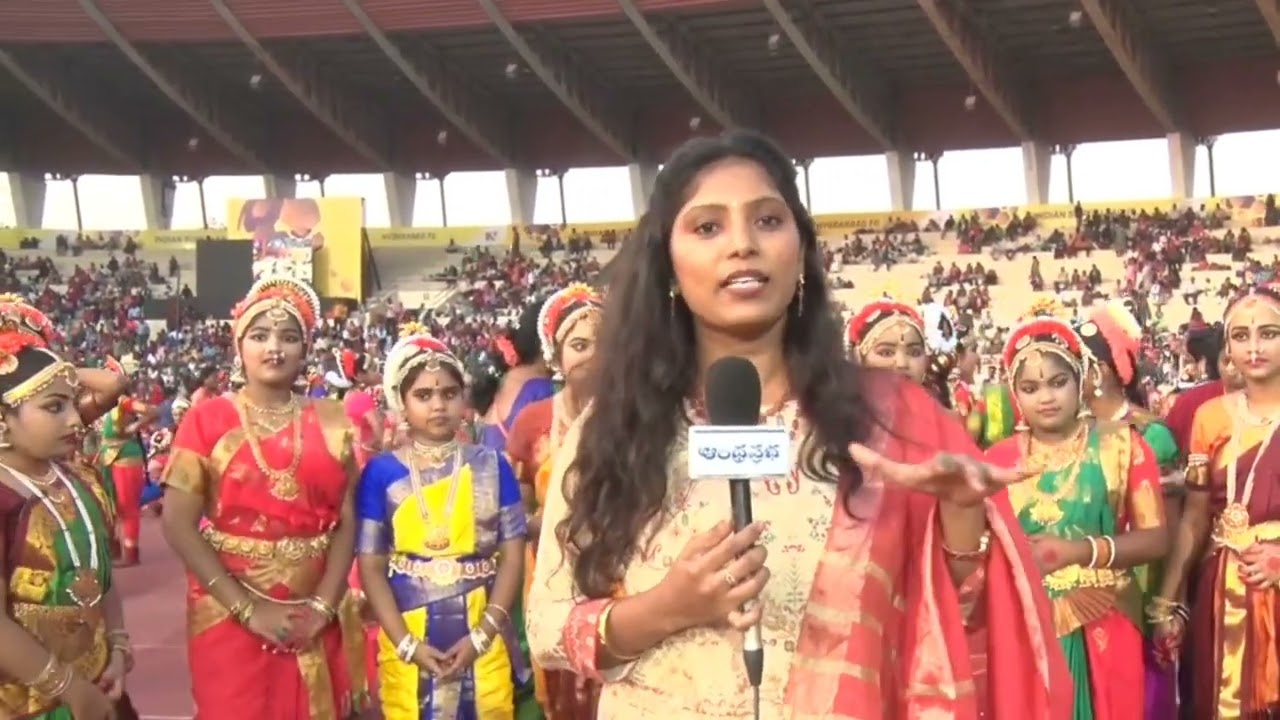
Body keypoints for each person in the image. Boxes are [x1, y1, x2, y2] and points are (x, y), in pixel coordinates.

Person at [525, 131, 1072, 719]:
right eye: (708, 227)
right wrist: (668, 607)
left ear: (802, 252)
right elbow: (548, 630)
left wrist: (963, 519)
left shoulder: (894, 424)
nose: (742, 245)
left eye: (767, 220)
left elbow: (964, 630)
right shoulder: (610, 432)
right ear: (668, 266)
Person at [160, 276, 366, 719]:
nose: (274, 348)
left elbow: (348, 517)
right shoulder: (207, 419)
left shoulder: (333, 420)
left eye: (289, 338)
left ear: (305, 349)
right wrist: (248, 609)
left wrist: (324, 606)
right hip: (227, 609)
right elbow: (177, 523)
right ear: (239, 346)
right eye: (260, 336)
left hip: (315, 602)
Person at [985, 301, 1169, 720]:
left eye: (1057, 382)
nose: (1046, 397)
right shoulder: (997, 461)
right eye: (1030, 388)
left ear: (1082, 380)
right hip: (1024, 621)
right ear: (1015, 394)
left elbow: (1156, 538)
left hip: (1107, 612)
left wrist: (1077, 553)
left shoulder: (1122, 446)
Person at [355, 329, 529, 719]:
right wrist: (406, 645)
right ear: (402, 402)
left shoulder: (491, 465)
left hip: (483, 628)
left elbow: (513, 559)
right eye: (423, 395)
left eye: (449, 393)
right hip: (409, 630)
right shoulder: (381, 472)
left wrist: (482, 636)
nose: (438, 405)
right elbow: (371, 568)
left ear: (463, 399)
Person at [0, 299, 137, 719]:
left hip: (97, 686)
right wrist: (69, 689)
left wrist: (118, 645)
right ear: (3, 421)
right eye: (54, 407)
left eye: (73, 404)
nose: (76, 420)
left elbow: (100, 578)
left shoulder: (80, 481)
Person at [1152, 284, 1280, 718]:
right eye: (1241, 336)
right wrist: (1168, 599)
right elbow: (1195, 515)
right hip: (1221, 586)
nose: (1254, 347)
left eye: (1268, 333)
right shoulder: (1211, 416)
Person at [1076, 301, 1181, 718]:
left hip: (1137, 596)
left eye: (1075, 364)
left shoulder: (1151, 435)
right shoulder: (1066, 435)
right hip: (1078, 602)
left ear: (1099, 373)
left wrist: (1167, 607)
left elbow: (1168, 535)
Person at [507, 283, 603, 719]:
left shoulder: (641, 417)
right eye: (578, 345)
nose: (591, 355)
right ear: (556, 355)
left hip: (624, 574)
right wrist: (553, 523)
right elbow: (515, 511)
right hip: (552, 574)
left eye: (604, 343)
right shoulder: (532, 421)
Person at [844, 298, 928, 383]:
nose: (902, 364)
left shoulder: (936, 394)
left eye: (914, 353)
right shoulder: (840, 395)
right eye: (886, 353)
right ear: (860, 359)